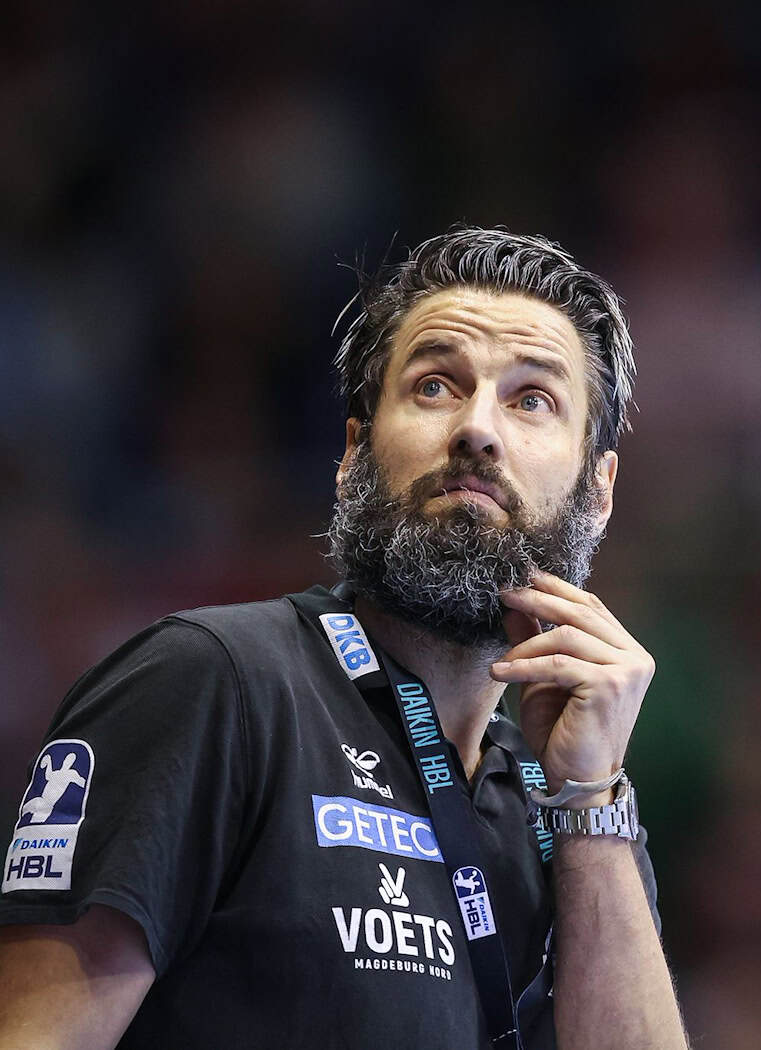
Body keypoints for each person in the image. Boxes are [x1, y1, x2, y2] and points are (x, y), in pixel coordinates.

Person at [0, 226, 690, 1050]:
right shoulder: (212, 683)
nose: (478, 429)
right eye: (435, 385)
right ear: (354, 453)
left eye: (531, 399)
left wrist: (590, 803)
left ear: (599, 489)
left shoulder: (569, 809)